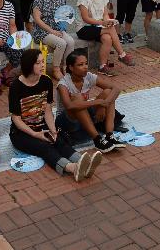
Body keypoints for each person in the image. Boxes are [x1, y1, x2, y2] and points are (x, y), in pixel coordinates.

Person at [9, 50, 101, 182]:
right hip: (21, 132)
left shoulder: (45, 81)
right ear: (29, 65)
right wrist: (35, 134)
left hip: (42, 125)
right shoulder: (16, 86)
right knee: (44, 147)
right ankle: (72, 168)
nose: (42, 65)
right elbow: (16, 118)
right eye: (38, 63)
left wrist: (52, 129)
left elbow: (47, 110)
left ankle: (82, 161)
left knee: (57, 140)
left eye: (43, 61)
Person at [56, 49, 126, 153]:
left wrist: (104, 104)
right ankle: (97, 140)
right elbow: (70, 106)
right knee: (78, 98)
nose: (85, 67)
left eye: (86, 63)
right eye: (80, 65)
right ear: (71, 67)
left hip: (84, 115)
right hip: (67, 121)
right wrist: (97, 102)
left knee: (107, 93)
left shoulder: (88, 76)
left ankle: (109, 135)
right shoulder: (63, 84)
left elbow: (116, 88)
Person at [77, 0, 133, 74]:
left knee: (107, 38)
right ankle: (122, 54)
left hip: (99, 27)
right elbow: (85, 18)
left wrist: (108, 22)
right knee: (110, 29)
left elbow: (105, 14)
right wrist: (103, 22)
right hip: (84, 28)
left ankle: (102, 66)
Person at [30, 0, 75, 81]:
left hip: (57, 29)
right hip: (42, 31)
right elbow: (37, 19)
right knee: (61, 43)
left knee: (71, 41)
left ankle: (66, 67)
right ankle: (56, 69)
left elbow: (63, 15)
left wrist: (63, 26)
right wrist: (52, 31)